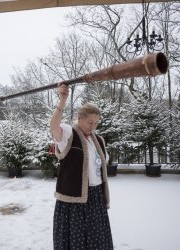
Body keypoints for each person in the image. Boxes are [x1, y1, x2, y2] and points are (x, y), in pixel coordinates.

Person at [50, 84, 113, 250]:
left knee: (96, 239)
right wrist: (63, 100)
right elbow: (54, 128)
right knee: (76, 241)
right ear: (79, 118)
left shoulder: (98, 140)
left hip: (96, 197)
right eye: (89, 122)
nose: (92, 126)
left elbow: (101, 166)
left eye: (96, 123)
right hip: (74, 200)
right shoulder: (69, 134)